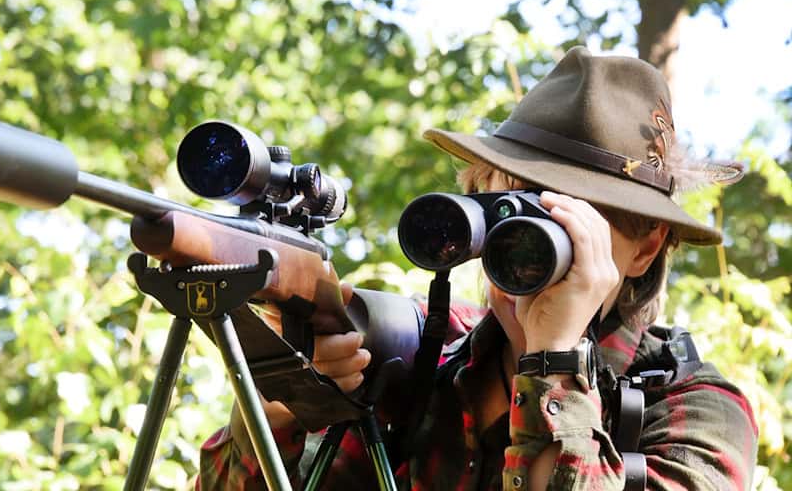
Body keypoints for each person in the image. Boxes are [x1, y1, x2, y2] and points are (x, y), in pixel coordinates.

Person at [197, 47, 758, 490]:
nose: (525, 238)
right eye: (510, 203)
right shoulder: (419, 372)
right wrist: (275, 409)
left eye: (566, 211)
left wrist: (554, 360)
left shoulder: (699, 413)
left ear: (645, 245)